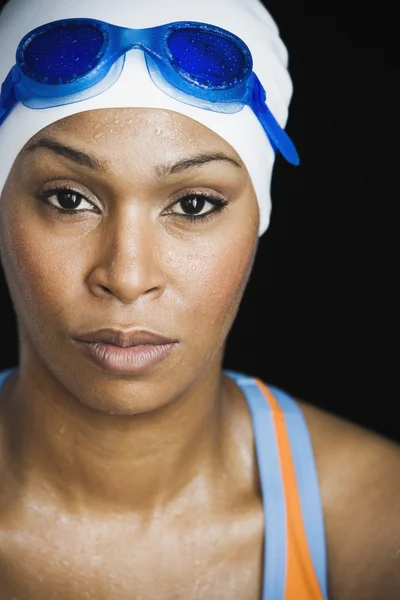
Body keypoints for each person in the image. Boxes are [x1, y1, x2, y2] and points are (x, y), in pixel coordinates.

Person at [0, 0, 398, 599]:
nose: (128, 277)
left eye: (193, 205)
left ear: (259, 216)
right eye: (67, 198)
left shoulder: (378, 527)